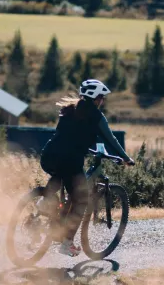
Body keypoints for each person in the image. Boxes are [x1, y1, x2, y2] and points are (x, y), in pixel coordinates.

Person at [38, 78, 134, 257]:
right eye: (101, 97)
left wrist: (85, 148)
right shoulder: (96, 116)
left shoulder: (68, 109)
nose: (102, 100)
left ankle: (44, 202)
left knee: (60, 174)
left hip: (49, 156)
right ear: (96, 98)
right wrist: (125, 158)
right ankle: (67, 243)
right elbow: (111, 139)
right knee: (81, 199)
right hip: (70, 162)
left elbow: (68, 137)